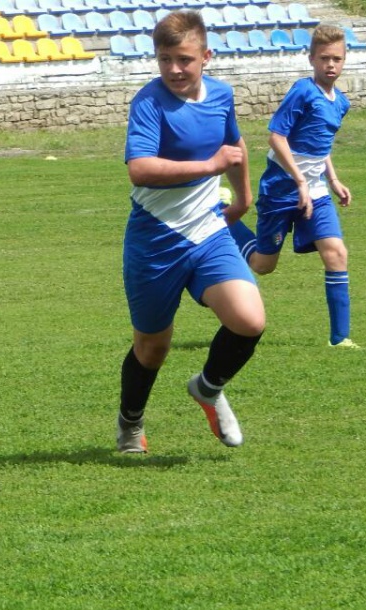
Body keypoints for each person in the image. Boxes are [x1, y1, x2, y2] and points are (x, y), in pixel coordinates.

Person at [116, 10, 265, 454]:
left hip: (208, 233)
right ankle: (130, 423)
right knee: (152, 348)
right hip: (155, 242)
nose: (175, 70)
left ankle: (208, 387)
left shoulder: (221, 95)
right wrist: (209, 167)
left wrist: (243, 198)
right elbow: (139, 170)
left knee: (249, 320)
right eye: (165, 60)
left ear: (206, 56)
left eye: (184, 59)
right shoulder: (148, 102)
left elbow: (235, 146)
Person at [227, 25, 357, 348]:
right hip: (281, 188)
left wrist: (333, 179)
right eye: (324, 58)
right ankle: (223, 218)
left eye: (337, 59)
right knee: (263, 265)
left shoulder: (340, 102)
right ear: (311, 58)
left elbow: (319, 146)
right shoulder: (303, 91)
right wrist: (299, 180)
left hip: (314, 190)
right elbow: (276, 136)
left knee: (336, 253)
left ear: (344, 60)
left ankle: (340, 340)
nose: (331, 65)